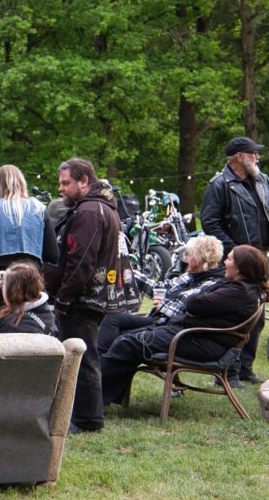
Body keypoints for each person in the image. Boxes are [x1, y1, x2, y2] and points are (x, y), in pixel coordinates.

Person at [102, 245, 269, 407]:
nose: (225, 261)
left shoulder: (237, 292)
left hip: (200, 342)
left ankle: (94, 398)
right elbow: (197, 303)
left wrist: (197, 305)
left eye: (230, 258)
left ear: (240, 268)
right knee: (126, 338)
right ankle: (102, 396)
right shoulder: (240, 288)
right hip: (194, 337)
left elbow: (193, 303)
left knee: (128, 343)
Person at [44, 157, 139, 434]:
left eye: (66, 183)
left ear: (84, 181)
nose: (61, 189)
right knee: (84, 356)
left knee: (82, 358)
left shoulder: (89, 211)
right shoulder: (101, 206)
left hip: (84, 298)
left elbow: (81, 259)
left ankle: (88, 420)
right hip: (91, 296)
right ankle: (83, 414)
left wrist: (64, 297)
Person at [199, 136, 269, 383]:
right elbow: (209, 222)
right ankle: (228, 372)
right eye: (253, 153)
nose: (257, 157)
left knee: (257, 317)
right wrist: (236, 253)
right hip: (238, 260)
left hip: (260, 259)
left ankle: (246, 370)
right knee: (236, 317)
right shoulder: (220, 184)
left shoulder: (262, 182)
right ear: (240, 156)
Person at [97, 235, 224, 355]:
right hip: (155, 320)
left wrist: (162, 304)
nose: (186, 258)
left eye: (189, 254)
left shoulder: (212, 284)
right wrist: (126, 270)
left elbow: (187, 309)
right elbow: (158, 289)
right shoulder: (190, 275)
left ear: (199, 259)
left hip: (169, 329)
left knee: (123, 337)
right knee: (113, 317)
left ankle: (97, 367)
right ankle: (97, 362)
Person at [0, 165, 58, 308]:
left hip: (0, 283)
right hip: (32, 283)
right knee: (31, 327)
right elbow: (53, 255)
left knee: (0, 328)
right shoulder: (40, 209)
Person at [0, 263, 57, 336]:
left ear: (13, 291)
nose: (1, 287)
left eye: (3, 283)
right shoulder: (47, 314)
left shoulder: (9, 325)